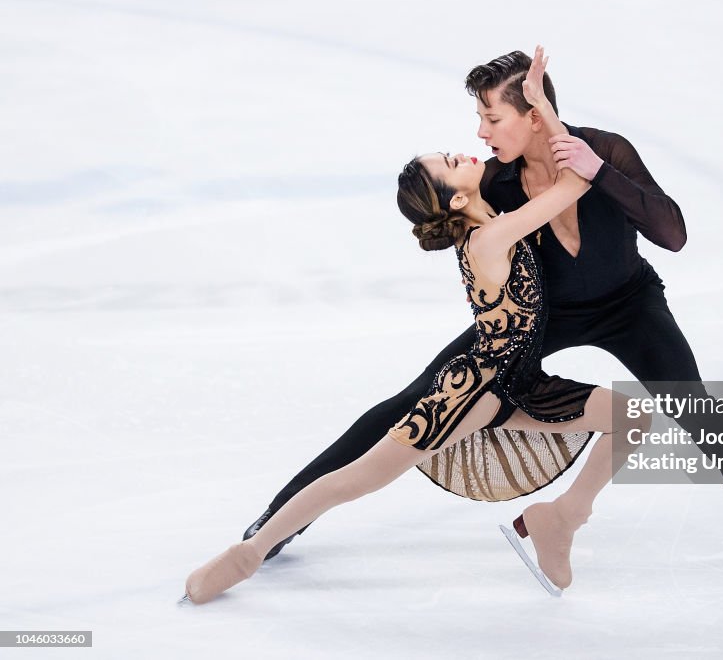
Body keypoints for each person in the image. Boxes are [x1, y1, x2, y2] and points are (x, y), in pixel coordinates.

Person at [243, 48, 723, 583]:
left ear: (534, 115)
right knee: (407, 401)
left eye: (491, 117)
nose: (481, 134)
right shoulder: (493, 180)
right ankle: (279, 520)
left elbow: (673, 234)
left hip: (629, 303)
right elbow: (443, 215)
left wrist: (601, 171)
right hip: (539, 317)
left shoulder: (604, 148)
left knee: (690, 402)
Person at [183, 49, 649, 604]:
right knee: (360, 478)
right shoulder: (489, 238)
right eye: (450, 162)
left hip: (520, 381)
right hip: (474, 387)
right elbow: (574, 186)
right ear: (457, 196)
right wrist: (542, 107)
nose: (462, 150)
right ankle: (249, 553)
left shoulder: (493, 222)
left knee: (634, 416)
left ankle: (563, 519)